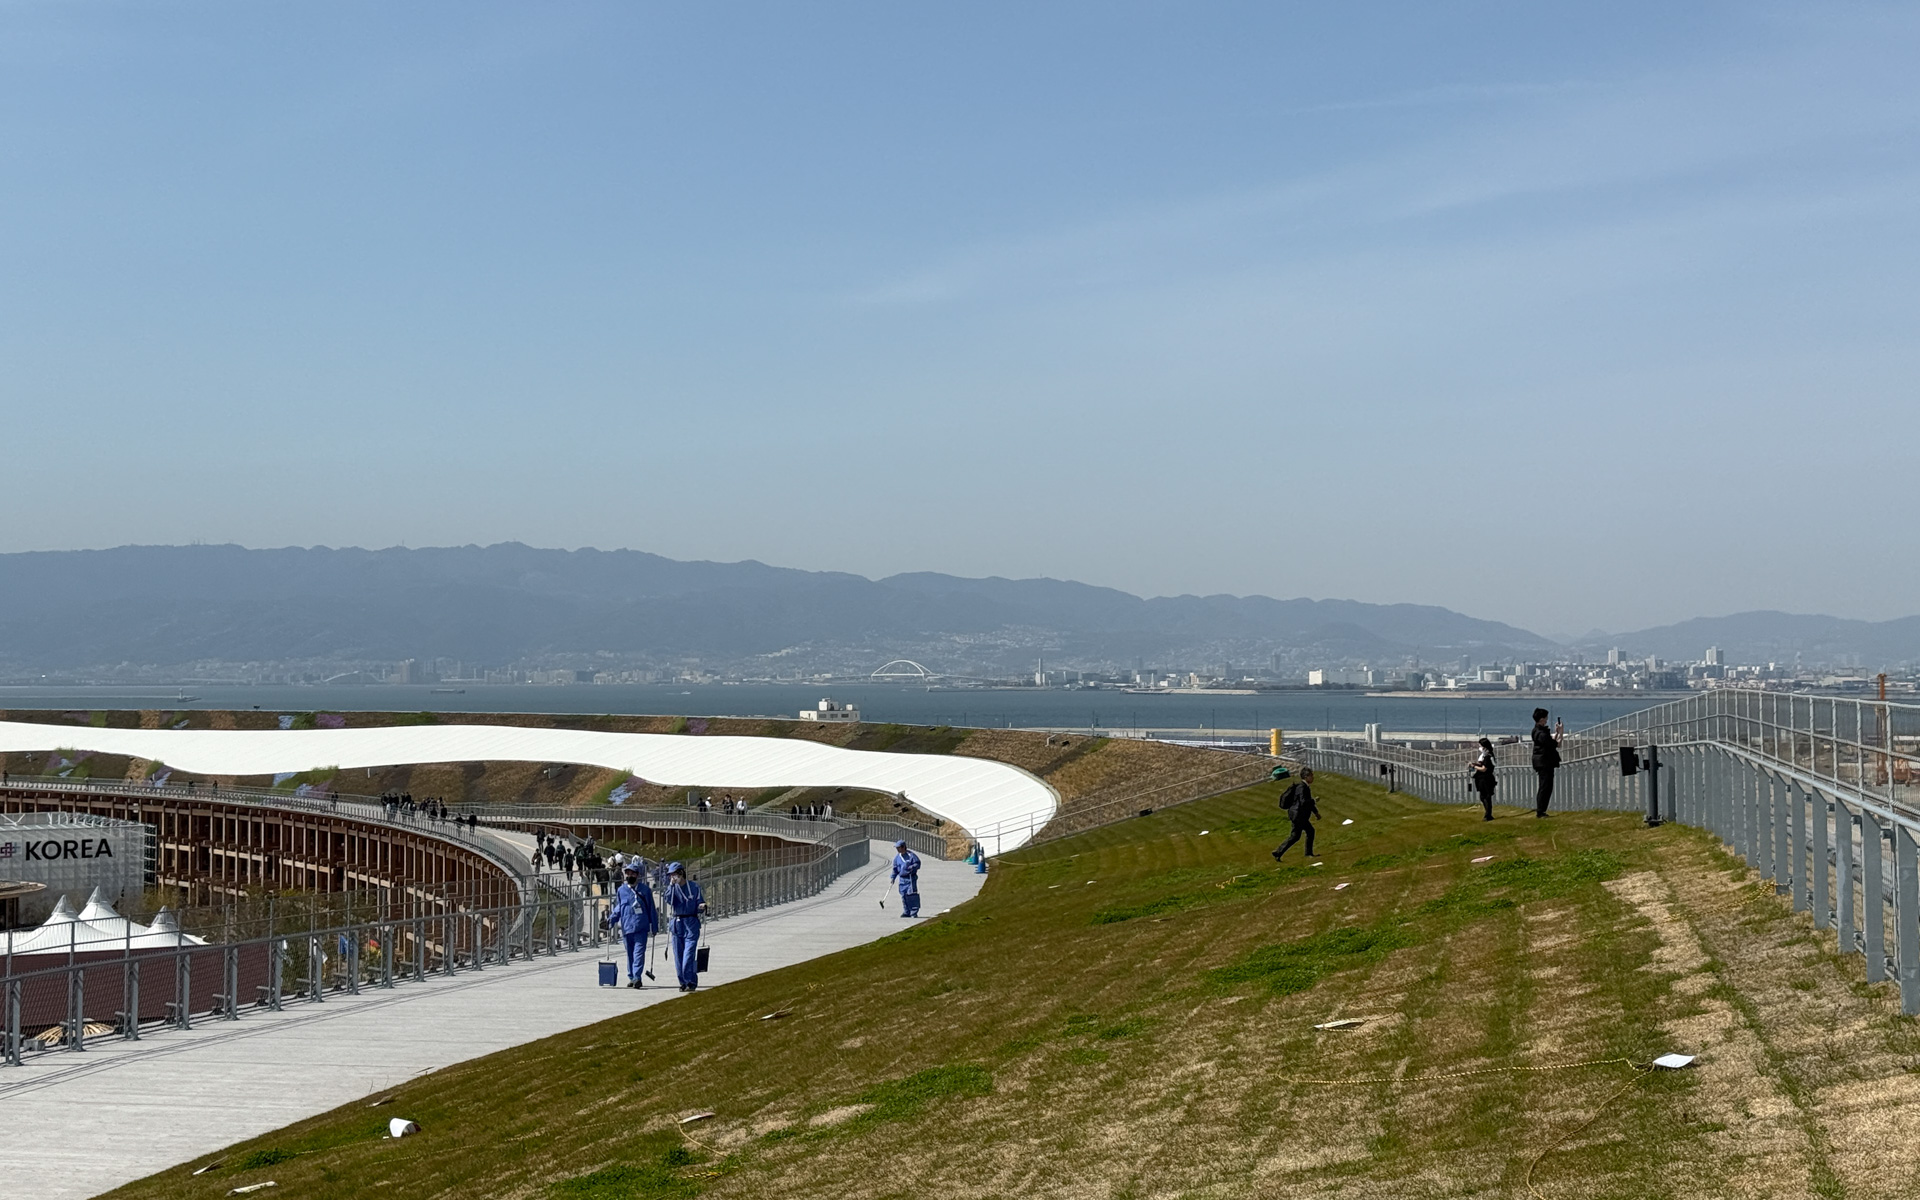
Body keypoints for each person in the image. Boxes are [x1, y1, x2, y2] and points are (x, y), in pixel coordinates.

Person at [609, 864, 658, 989]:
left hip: (641, 926)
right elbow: (619, 907)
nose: (630, 876)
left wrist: (654, 926)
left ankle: (637, 977)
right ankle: (631, 977)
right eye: (628, 873)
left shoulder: (645, 890)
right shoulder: (621, 890)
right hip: (626, 927)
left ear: (638, 875)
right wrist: (611, 920)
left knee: (638, 953)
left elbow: (651, 909)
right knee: (630, 953)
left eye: (633, 873)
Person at [663, 861, 706, 992]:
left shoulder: (694, 887)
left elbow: (700, 902)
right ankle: (682, 981)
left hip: (691, 923)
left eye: (675, 874)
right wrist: (671, 886)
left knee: (688, 955)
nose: (673, 877)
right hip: (677, 923)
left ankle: (690, 980)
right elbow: (668, 900)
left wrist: (702, 907)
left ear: (681, 873)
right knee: (678, 955)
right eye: (671, 875)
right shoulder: (673, 888)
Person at [1272, 768, 1321, 860]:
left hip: (1297, 815)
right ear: (1306, 777)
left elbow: (1307, 803)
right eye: (1311, 775)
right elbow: (1304, 802)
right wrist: (1314, 801)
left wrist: (1316, 813)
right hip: (1299, 815)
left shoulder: (1303, 787)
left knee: (1296, 836)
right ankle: (1308, 853)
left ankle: (1278, 853)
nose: (1313, 777)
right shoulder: (1302, 787)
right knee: (1308, 832)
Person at [1530, 707, 1561, 818]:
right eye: (1546, 718)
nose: (1547, 719)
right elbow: (1555, 745)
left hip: (1541, 761)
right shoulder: (1541, 733)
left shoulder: (1536, 731)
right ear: (1542, 719)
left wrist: (1556, 733)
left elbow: (1550, 742)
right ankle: (1541, 811)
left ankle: (1541, 810)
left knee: (1545, 786)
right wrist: (1561, 733)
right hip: (1544, 762)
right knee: (1545, 787)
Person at [890, 839, 922, 918]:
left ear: (903, 847)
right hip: (902, 879)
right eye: (897, 848)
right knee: (903, 896)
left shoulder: (911, 855)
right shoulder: (897, 858)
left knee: (911, 895)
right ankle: (906, 911)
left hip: (910, 878)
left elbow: (918, 863)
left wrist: (912, 867)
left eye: (899, 848)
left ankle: (913, 912)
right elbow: (895, 869)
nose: (898, 849)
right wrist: (893, 877)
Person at [1470, 737, 1498, 821]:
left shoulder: (1488, 756)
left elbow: (1484, 768)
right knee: (1484, 797)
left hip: (1485, 778)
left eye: (1481, 746)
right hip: (1485, 778)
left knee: (1486, 796)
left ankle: (1488, 815)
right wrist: (1475, 764)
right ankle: (1488, 814)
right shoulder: (1487, 756)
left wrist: (1474, 766)